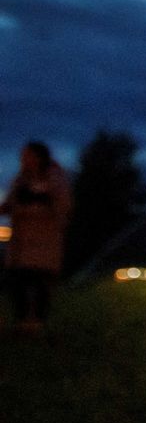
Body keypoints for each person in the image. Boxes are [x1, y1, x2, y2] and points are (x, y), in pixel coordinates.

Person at [1, 141, 72, 335]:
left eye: (28, 156)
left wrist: (35, 209)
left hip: (45, 240)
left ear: (39, 157)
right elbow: (9, 203)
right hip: (21, 242)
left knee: (40, 279)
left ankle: (37, 322)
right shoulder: (20, 180)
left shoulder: (56, 179)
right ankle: (22, 321)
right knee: (17, 279)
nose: (24, 160)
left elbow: (62, 206)